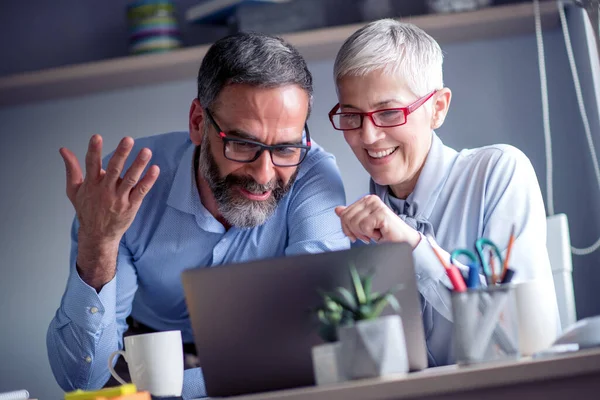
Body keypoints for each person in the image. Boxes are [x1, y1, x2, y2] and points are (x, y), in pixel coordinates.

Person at [47, 32, 349, 398]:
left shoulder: (314, 175)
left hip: (258, 344)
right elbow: (80, 377)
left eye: (285, 148)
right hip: (145, 349)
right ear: (197, 123)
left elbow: (314, 336)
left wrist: (173, 390)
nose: (264, 174)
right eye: (242, 143)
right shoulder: (123, 186)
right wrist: (99, 242)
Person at [330, 19, 559, 366]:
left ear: (437, 108)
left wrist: (412, 245)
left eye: (389, 113)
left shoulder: (498, 172)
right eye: (352, 116)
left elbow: (522, 334)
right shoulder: (355, 229)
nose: (368, 136)